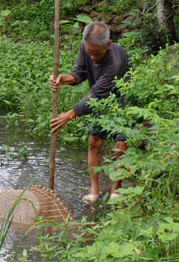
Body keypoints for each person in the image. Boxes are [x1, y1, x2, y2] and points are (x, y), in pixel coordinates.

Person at [49, 21, 129, 204]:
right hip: (97, 101)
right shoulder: (86, 46)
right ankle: (95, 190)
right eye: (89, 52)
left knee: (121, 144)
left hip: (121, 101)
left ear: (108, 45)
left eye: (97, 54)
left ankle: (116, 188)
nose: (92, 57)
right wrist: (63, 79)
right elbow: (80, 72)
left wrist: (70, 114)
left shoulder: (116, 61)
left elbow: (99, 92)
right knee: (94, 140)